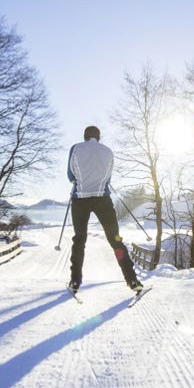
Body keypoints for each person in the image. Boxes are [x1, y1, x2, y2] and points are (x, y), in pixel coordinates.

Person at [66, 125, 143, 295]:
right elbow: (108, 178)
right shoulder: (108, 151)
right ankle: (132, 279)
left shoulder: (75, 148)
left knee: (79, 240)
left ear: (85, 136)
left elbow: (70, 176)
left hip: (80, 199)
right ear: (99, 137)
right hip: (103, 199)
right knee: (115, 239)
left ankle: (75, 281)